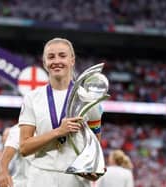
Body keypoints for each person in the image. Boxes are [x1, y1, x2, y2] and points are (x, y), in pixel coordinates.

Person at [19, 38, 103, 187]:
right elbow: (24, 148)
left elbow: (94, 145)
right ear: (45, 63)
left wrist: (93, 168)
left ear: (72, 60)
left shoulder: (88, 98)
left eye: (62, 56)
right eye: (51, 57)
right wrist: (58, 131)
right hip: (41, 177)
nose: (56, 61)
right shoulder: (32, 98)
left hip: (75, 179)